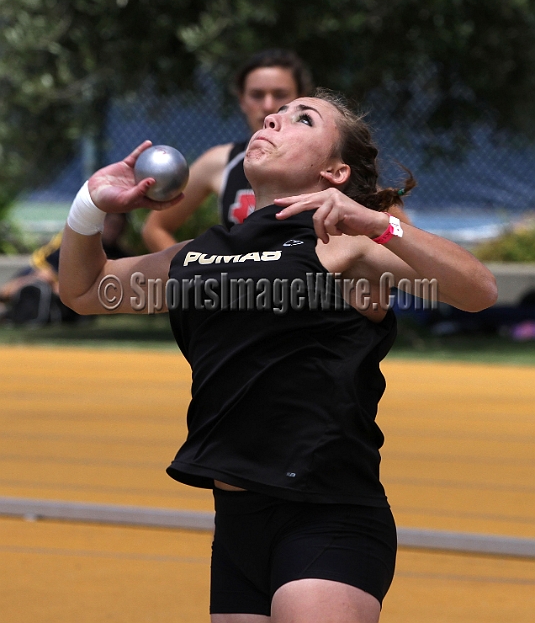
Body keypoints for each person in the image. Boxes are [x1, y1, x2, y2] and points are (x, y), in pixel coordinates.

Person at [59, 89, 497, 623]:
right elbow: (85, 290)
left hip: (328, 514)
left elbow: (477, 291)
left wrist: (381, 225)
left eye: (302, 118)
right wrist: (90, 203)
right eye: (276, 114)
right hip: (238, 523)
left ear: (335, 173)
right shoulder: (200, 255)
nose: (273, 118)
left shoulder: (346, 246)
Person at [141, 49, 314, 251]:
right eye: (256, 95)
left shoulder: (326, 162)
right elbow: (155, 227)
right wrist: (191, 274)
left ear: (302, 100)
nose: (268, 105)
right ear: (242, 101)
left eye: (280, 95)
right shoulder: (221, 162)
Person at [0, 212, 130, 325]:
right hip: (43, 273)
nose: (115, 230)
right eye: (112, 225)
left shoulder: (119, 254)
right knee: (40, 280)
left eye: (119, 226)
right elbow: (46, 267)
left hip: (67, 292)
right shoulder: (78, 240)